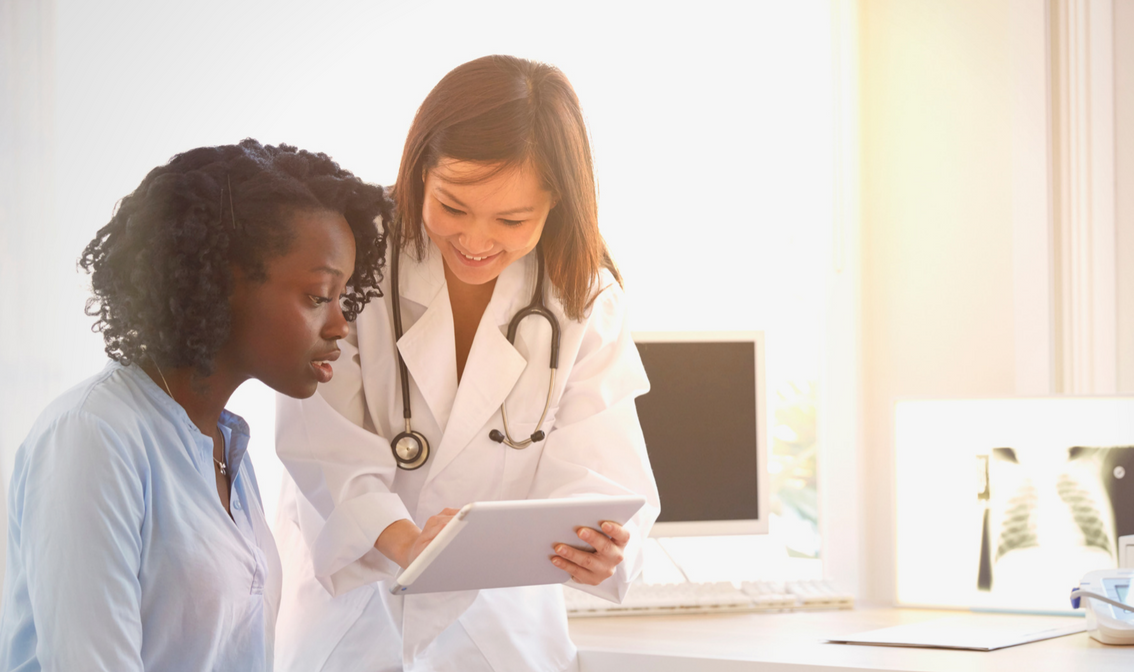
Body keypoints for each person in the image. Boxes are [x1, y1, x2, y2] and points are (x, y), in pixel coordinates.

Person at [273, 55, 660, 671]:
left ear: (556, 203)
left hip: (500, 624)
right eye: (453, 207)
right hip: (357, 614)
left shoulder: (582, 296)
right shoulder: (351, 252)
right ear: (420, 170)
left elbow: (601, 470)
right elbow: (320, 441)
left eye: (512, 220)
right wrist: (408, 542)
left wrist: (603, 544)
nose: (476, 241)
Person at [0, 139, 391, 671]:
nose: (341, 325)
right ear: (220, 282)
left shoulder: (227, 447)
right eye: (319, 296)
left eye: (344, 299)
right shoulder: (92, 436)